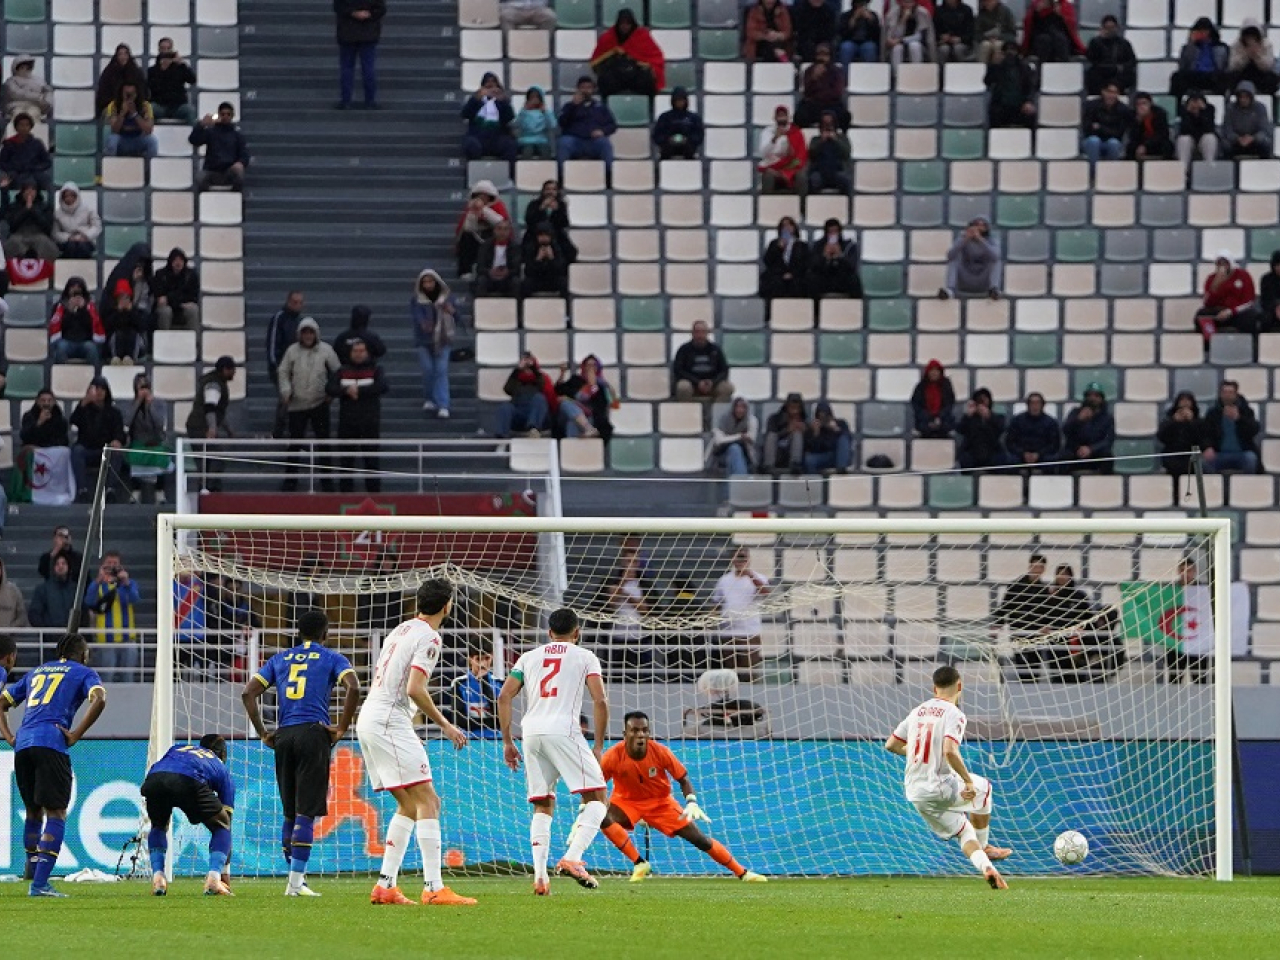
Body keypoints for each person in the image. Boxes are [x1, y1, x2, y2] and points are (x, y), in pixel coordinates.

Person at [355, 579, 476, 906]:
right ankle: (434, 887)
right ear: (447, 605)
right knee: (429, 801)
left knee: (409, 804)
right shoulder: (430, 637)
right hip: (388, 720)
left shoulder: (401, 629)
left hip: (370, 717)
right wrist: (446, 725)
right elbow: (414, 688)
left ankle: (385, 886)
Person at [241, 608, 360, 897]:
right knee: (306, 812)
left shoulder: (279, 659)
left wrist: (263, 732)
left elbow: (248, 692)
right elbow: (354, 687)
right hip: (312, 733)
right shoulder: (332, 658)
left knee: (290, 813)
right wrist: (341, 728)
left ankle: (295, 880)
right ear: (325, 633)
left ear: (298, 633)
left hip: (284, 734)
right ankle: (295, 884)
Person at [497, 607, 610, 894]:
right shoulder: (585, 656)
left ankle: (540, 878)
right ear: (577, 633)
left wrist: (507, 741)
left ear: (549, 633)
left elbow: (504, 695)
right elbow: (600, 700)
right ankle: (573, 857)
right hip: (563, 729)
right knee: (598, 797)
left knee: (543, 803)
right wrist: (598, 746)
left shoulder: (528, 657)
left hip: (531, 732)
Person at [598, 712, 767, 883]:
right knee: (601, 815)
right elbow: (597, 785)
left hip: (661, 803)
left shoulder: (661, 752)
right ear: (625, 733)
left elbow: (683, 779)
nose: (640, 734)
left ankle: (743, 873)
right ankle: (639, 863)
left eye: (644, 730)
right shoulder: (612, 756)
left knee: (700, 840)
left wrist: (691, 802)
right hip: (626, 802)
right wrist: (588, 806)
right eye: (635, 730)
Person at [886, 665, 1013, 889]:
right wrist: (967, 781)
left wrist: (917, 754)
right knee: (984, 789)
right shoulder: (954, 714)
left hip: (915, 793)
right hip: (941, 786)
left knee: (965, 831)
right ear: (960, 686)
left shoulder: (917, 712)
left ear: (934, 688)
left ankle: (987, 868)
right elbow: (950, 751)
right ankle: (984, 847)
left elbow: (891, 744)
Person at [0, 634, 106, 895]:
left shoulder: (37, 671)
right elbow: (100, 698)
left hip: (23, 745)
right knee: (56, 813)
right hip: (51, 742)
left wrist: (9, 737)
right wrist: (76, 734)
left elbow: (1, 702)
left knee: (33, 811)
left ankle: (31, 871)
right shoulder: (84, 673)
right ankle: (39, 885)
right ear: (83, 654)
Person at [140, 734, 235, 897]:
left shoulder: (179, 747)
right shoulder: (221, 768)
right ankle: (214, 878)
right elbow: (227, 823)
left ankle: (158, 878)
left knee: (158, 825)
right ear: (223, 754)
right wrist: (224, 872)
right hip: (189, 780)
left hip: (154, 778)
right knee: (222, 825)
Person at [278, 317, 340, 492]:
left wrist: (331, 393)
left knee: (324, 444)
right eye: (305, 332)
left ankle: (327, 482)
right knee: (294, 444)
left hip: (320, 404)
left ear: (316, 333)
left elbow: (337, 372)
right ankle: (290, 481)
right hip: (296, 405)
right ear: (300, 334)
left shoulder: (326, 350)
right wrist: (286, 390)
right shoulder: (292, 351)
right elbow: (283, 372)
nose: (308, 336)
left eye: (311, 332)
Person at [326, 337, 388, 493]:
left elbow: (383, 386)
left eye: (362, 351)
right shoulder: (342, 371)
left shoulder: (376, 370)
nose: (359, 354)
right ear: (350, 353)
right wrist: (346, 390)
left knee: (371, 462)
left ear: (367, 353)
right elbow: (330, 388)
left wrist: (358, 391)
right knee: (346, 462)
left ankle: (374, 496)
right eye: (355, 351)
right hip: (347, 424)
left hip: (369, 423)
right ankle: (345, 495)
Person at [712, 547, 772, 678]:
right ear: (732, 560)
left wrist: (750, 575)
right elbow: (716, 603)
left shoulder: (758, 577)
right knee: (729, 672)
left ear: (749, 559)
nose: (740, 561)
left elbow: (766, 593)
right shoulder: (724, 580)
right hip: (728, 632)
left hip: (749, 632)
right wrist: (712, 622)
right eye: (737, 557)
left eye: (743, 557)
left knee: (749, 671)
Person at [71, 376, 129, 501]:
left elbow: (120, 433)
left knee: (117, 452)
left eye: (102, 389)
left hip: (106, 450)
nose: (99, 392)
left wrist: (117, 440)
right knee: (77, 451)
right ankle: (82, 490)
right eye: (96, 389)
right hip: (87, 449)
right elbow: (73, 420)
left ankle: (110, 490)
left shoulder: (114, 412)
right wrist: (84, 402)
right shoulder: (84, 409)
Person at [85, 551, 140, 682]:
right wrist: (98, 580)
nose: (112, 566)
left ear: (121, 566)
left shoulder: (128, 584)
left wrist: (125, 582)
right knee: (107, 678)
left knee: (128, 678)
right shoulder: (98, 585)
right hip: (106, 640)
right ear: (102, 565)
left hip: (127, 639)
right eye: (108, 563)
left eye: (115, 563)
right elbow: (89, 601)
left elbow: (135, 599)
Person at [186, 356, 236, 493]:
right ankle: (211, 488)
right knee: (216, 458)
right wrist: (212, 428)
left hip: (197, 426)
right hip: (200, 427)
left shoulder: (214, 382)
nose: (234, 373)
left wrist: (227, 429)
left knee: (206, 461)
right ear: (225, 369)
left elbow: (217, 410)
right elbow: (210, 407)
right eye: (232, 369)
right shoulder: (214, 384)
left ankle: (205, 489)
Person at [591, 8, 665, 100]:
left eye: (628, 24)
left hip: (636, 75)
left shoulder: (642, 36)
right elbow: (596, 62)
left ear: (632, 24)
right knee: (604, 80)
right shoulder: (608, 37)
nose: (625, 26)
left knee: (647, 80)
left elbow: (655, 58)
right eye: (622, 23)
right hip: (616, 76)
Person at [410, 269, 456, 418]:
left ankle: (443, 404)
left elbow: (457, 316)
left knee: (441, 370)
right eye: (425, 282)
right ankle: (429, 398)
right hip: (424, 341)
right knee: (428, 370)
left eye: (430, 281)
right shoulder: (417, 299)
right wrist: (424, 324)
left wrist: (451, 311)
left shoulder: (447, 297)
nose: (428, 285)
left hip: (443, 339)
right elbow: (417, 317)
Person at [122, 372, 173, 502]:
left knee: (160, 454)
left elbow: (160, 424)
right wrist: (138, 402)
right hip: (138, 442)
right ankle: (136, 491)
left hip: (155, 441)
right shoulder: (131, 404)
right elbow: (127, 421)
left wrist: (150, 407)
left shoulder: (159, 404)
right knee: (134, 454)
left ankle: (160, 492)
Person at [1196, 251, 1259, 342]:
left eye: (1225, 263)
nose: (1222, 266)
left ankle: (1248, 344)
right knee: (1201, 315)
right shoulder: (1211, 278)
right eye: (1219, 264)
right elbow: (1207, 303)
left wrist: (1231, 311)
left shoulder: (1243, 275)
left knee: (1251, 316)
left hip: (1237, 312)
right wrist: (1215, 286)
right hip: (1219, 312)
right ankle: (1209, 344)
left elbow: (1249, 301)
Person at [266, 290, 306, 436]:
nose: (297, 305)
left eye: (300, 303)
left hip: (296, 369)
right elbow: (272, 343)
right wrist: (276, 366)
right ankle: (278, 433)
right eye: (295, 302)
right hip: (281, 367)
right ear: (288, 302)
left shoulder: (300, 321)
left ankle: (294, 432)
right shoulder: (279, 318)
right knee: (286, 398)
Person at [556, 76, 617, 170]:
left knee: (605, 143)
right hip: (574, 141)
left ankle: (609, 175)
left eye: (589, 87)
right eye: (583, 87)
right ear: (578, 89)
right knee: (563, 142)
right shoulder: (568, 106)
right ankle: (561, 175)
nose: (586, 90)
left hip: (594, 141)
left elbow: (612, 125)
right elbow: (562, 123)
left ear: (593, 90)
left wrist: (602, 131)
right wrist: (573, 106)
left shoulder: (600, 107)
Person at [454, 179, 510, 280]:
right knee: (466, 238)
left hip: (492, 238)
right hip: (475, 238)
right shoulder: (471, 208)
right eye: (479, 195)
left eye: (485, 195)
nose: (482, 198)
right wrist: (474, 214)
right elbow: (467, 227)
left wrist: (484, 211)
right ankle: (466, 270)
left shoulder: (498, 206)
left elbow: (501, 223)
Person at [334, 0, 385, 109]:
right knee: (368, 68)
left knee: (347, 68)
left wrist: (352, 13)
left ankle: (346, 101)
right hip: (368, 33)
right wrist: (369, 14)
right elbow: (381, 8)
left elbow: (338, 6)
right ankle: (370, 101)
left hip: (347, 32)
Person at [1201, 379, 1260, 474]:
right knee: (1204, 462)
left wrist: (1239, 419)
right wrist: (1208, 447)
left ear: (1236, 394)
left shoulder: (1246, 411)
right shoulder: (1213, 413)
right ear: (1220, 394)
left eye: (1230, 392)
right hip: (1219, 454)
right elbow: (1205, 433)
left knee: (1251, 458)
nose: (1227, 395)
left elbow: (1254, 430)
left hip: (1241, 454)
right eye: (1225, 392)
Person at [189, 102, 250, 191]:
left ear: (232, 116)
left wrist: (240, 163)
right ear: (219, 115)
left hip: (229, 172)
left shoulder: (237, 136)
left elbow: (244, 155)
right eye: (223, 114)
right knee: (200, 177)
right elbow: (194, 140)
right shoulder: (210, 132)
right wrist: (201, 125)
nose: (225, 117)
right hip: (211, 171)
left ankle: (235, 198)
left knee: (239, 177)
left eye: (228, 114)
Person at [556, 355, 616, 443]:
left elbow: (613, 404)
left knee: (572, 419)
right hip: (573, 415)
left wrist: (593, 386)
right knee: (565, 406)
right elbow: (559, 391)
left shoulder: (603, 386)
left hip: (591, 417)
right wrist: (562, 373)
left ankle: (587, 430)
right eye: (588, 365)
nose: (590, 368)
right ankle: (587, 429)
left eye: (593, 365)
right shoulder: (576, 380)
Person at [939, 217, 1002, 300]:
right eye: (976, 224)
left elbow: (995, 256)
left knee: (996, 261)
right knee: (954, 259)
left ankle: (994, 290)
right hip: (966, 277)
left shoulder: (992, 240)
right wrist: (965, 239)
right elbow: (950, 255)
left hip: (983, 278)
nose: (979, 228)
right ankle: (950, 290)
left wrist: (980, 240)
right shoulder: (962, 239)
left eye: (982, 225)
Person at [461, 72, 517, 163]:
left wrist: (503, 101)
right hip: (478, 137)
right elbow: (465, 114)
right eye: (487, 83)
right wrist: (476, 99)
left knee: (509, 145)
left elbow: (509, 118)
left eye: (493, 82)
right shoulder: (477, 100)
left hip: (498, 137)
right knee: (470, 144)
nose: (490, 85)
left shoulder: (501, 101)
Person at [672, 320, 733, 405]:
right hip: (692, 385)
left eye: (703, 332)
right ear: (692, 333)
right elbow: (678, 370)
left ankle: (716, 412)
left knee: (727, 388)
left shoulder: (716, 349)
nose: (700, 335)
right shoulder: (684, 349)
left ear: (707, 333)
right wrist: (697, 382)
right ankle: (688, 412)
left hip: (712, 385)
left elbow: (724, 371)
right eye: (697, 332)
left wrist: (712, 382)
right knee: (683, 387)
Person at [496, 352, 555, 438]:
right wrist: (517, 370)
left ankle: (533, 429)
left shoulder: (539, 377)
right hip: (519, 412)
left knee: (539, 398)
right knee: (505, 407)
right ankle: (502, 436)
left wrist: (534, 369)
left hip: (536, 413)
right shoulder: (516, 379)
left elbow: (543, 386)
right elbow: (508, 389)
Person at [1060, 382, 1115, 474]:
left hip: (1096, 453)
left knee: (1107, 457)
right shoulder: (1075, 412)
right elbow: (1066, 431)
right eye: (1089, 395)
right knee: (1063, 456)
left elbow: (1108, 440)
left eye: (1096, 396)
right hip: (1076, 451)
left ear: (1101, 398)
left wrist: (1091, 449)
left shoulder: (1107, 417)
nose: (1092, 398)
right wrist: (1078, 420)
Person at [448, 647, 502, 739]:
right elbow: (459, 720)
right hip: (468, 738)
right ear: (470, 659)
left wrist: (484, 683)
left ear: (492, 658)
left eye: (487, 658)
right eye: (478, 659)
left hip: (496, 738)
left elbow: (501, 720)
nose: (483, 664)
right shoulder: (459, 683)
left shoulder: (499, 683)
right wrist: (490, 722)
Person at [48, 276, 104, 364]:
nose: (75, 290)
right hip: (67, 341)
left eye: (78, 287)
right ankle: (60, 371)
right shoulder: (59, 307)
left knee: (91, 348)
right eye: (73, 287)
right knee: (61, 347)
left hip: (85, 342)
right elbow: (59, 326)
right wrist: (70, 311)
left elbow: (91, 326)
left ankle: (96, 372)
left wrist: (82, 310)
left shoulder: (90, 307)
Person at [796, 45, 850, 131]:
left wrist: (819, 93)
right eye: (819, 54)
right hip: (813, 105)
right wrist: (814, 78)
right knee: (799, 116)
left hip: (832, 104)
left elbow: (837, 92)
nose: (821, 57)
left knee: (845, 116)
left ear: (830, 56)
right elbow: (807, 92)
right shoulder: (809, 70)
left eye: (825, 54)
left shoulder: (837, 71)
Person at [985, 41, 1037, 129]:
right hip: (1001, 105)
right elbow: (987, 82)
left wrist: (1028, 101)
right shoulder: (997, 67)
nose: (1010, 53)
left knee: (1030, 114)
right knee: (994, 112)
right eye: (1007, 50)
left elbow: (1031, 87)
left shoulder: (1025, 68)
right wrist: (994, 65)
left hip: (1020, 105)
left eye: (1013, 50)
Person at [1171, 18, 1229, 97]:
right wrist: (1191, 44)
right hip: (1195, 75)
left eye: (1205, 30)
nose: (1202, 32)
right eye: (1199, 30)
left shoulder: (1221, 47)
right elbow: (1183, 66)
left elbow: (1225, 66)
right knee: (1177, 77)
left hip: (1213, 76)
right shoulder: (1188, 48)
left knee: (1224, 78)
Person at [1004, 392, 1060, 473]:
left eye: (1037, 403)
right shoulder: (1017, 420)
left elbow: (1054, 444)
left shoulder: (1051, 422)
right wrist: (1023, 454)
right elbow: (1010, 442)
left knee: (1051, 461)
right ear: (1028, 405)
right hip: (1020, 455)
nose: (1035, 406)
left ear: (1042, 405)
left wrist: (1039, 454)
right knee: (1010, 461)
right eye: (1032, 403)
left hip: (1043, 455)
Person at [2, 179, 58, 261]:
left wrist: (33, 210)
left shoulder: (44, 206)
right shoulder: (14, 206)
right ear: (22, 192)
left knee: (45, 244)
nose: (30, 192)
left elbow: (47, 227)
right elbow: (12, 226)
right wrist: (25, 210)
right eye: (27, 190)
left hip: (39, 234)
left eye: (33, 190)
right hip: (19, 235)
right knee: (13, 243)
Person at [522, 179, 575, 264]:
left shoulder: (561, 205)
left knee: (568, 251)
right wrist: (541, 208)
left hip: (556, 237)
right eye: (548, 189)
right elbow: (529, 221)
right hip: (535, 237)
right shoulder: (534, 204)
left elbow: (564, 224)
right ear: (543, 191)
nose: (550, 192)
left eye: (553, 189)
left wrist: (557, 211)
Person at [757, 105, 807, 194]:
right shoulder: (768, 132)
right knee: (768, 176)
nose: (782, 119)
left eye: (784, 116)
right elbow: (763, 153)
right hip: (773, 168)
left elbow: (800, 156)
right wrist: (774, 139)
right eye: (779, 116)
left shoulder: (796, 132)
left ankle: (802, 203)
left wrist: (786, 172)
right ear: (775, 118)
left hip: (791, 168)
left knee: (801, 176)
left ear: (788, 117)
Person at [807, 219, 863, 299]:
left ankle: (855, 305)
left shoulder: (849, 246)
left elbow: (852, 266)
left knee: (854, 279)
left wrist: (840, 256)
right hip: (824, 278)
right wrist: (824, 256)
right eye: (830, 232)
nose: (833, 234)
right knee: (811, 278)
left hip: (842, 278)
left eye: (835, 231)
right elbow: (813, 265)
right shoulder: (818, 245)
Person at [1080, 81, 1132, 165]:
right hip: (1092, 139)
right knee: (1094, 141)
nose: (1111, 95)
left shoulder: (1123, 109)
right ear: (1103, 92)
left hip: (1113, 140)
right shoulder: (1091, 105)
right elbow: (1087, 128)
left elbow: (1119, 133)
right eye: (1109, 92)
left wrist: (1100, 127)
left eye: (1115, 92)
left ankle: (1111, 171)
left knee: (1113, 143)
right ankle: (1093, 171)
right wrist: (1108, 130)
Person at [0, 112, 53, 194]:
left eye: (27, 125)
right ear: (16, 127)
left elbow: (47, 162)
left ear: (30, 127)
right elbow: (2, 162)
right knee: (25, 183)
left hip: (34, 172)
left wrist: (35, 168)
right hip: (16, 174)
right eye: (21, 125)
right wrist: (14, 168)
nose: (24, 128)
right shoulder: (9, 144)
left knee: (48, 182)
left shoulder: (37, 143)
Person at [147, 37, 197, 122]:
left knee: (190, 110)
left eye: (168, 48)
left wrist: (182, 64)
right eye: (163, 48)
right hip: (160, 106)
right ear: (159, 50)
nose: (166, 51)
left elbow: (192, 80)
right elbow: (151, 87)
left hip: (178, 106)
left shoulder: (180, 68)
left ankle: (196, 131)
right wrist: (162, 70)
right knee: (150, 109)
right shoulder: (152, 70)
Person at [759, 216, 809, 300]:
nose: (787, 228)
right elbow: (768, 261)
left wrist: (792, 274)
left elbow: (804, 263)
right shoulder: (774, 244)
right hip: (778, 275)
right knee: (771, 282)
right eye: (784, 226)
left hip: (796, 276)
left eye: (789, 225)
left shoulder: (802, 245)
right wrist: (778, 249)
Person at [1157, 391, 1205, 479]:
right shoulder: (1168, 420)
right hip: (1172, 454)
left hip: (1191, 454)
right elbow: (1162, 437)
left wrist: (1191, 422)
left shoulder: (1199, 422)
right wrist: (1174, 422)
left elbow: (1200, 439)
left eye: (1188, 400)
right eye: (1182, 400)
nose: (1185, 403)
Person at [957, 388, 1007, 471]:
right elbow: (960, 430)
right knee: (965, 459)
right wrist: (968, 416)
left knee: (1001, 459)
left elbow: (1001, 429)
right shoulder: (969, 418)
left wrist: (989, 417)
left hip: (992, 450)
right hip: (972, 451)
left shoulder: (998, 417)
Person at [1085, 15, 1136, 95]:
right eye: (1107, 28)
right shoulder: (1095, 42)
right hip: (1101, 75)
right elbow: (1091, 58)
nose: (1110, 30)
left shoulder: (1124, 43)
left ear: (1117, 28)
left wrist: (1120, 68)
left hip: (1118, 75)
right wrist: (1100, 42)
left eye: (1112, 27)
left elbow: (1132, 61)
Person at [103, 81, 158, 158]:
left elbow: (149, 130)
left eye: (132, 94)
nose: (129, 97)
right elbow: (114, 130)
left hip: (138, 138)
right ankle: (111, 164)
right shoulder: (113, 105)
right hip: (121, 139)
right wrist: (122, 113)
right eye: (126, 94)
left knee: (152, 141)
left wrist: (135, 113)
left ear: (136, 94)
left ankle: (147, 165)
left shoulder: (145, 106)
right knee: (112, 140)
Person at [151, 247, 201, 330]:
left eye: (181, 260)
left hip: (183, 307)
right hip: (168, 307)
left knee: (193, 309)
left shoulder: (191, 275)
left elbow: (193, 296)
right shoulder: (160, 274)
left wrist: (170, 298)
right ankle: (164, 337)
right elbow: (160, 297)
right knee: (165, 311)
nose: (178, 263)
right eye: (175, 260)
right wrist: (180, 301)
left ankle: (193, 337)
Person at [1221, 80, 1272, 159]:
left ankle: (1265, 165)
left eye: (1246, 97)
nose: (1243, 100)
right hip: (1236, 142)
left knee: (1266, 143)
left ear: (1251, 97)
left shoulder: (1260, 108)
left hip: (1254, 142)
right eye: (1241, 97)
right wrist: (1237, 138)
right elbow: (1227, 129)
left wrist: (1253, 138)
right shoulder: (1230, 108)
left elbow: (1264, 129)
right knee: (1225, 145)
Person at [102, 279, 149, 363]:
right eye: (121, 298)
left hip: (134, 341)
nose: (123, 300)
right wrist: (118, 312)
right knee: (118, 334)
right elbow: (108, 327)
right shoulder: (112, 311)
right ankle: (116, 358)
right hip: (117, 341)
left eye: (126, 297)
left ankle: (131, 358)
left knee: (133, 334)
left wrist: (131, 312)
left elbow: (141, 326)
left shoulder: (137, 311)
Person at [709, 397, 758, 477]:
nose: (740, 410)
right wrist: (739, 436)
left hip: (746, 454)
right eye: (737, 407)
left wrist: (729, 438)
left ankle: (739, 480)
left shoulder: (751, 420)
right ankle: (741, 480)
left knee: (735, 450)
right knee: (734, 448)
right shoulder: (723, 419)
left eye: (743, 407)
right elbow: (719, 440)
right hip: (722, 452)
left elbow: (752, 438)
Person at [1227, 21, 1278, 96]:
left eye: (1253, 36)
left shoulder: (1266, 45)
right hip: (1242, 73)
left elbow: (1268, 66)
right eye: (1248, 36)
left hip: (1260, 74)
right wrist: (1246, 55)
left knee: (1272, 78)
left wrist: (1257, 56)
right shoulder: (1236, 45)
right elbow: (1233, 66)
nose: (1250, 38)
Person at [807, 113, 852, 197]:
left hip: (838, 171)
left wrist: (836, 140)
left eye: (830, 124)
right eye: (825, 124)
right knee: (812, 181)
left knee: (847, 181)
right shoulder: (815, 139)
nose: (828, 127)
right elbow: (811, 154)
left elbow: (846, 153)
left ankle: (850, 204)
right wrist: (821, 141)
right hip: (820, 172)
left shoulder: (842, 138)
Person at [95, 44, 146, 118]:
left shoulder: (136, 72)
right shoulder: (108, 73)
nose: (123, 57)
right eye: (120, 54)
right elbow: (103, 95)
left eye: (125, 54)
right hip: (112, 105)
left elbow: (142, 91)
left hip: (134, 106)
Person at [51, 182, 101, 259]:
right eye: (66, 196)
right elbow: (55, 233)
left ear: (77, 196)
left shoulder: (88, 210)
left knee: (82, 247)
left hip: (86, 241)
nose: (69, 198)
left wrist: (85, 236)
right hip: (67, 242)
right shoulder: (57, 214)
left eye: (72, 196)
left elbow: (97, 227)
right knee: (71, 247)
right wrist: (69, 237)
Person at [475, 218, 523, 298]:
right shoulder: (485, 246)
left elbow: (516, 268)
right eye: (499, 229)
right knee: (481, 281)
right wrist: (490, 272)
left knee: (516, 282)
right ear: (494, 230)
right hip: (489, 277)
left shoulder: (515, 247)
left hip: (507, 278)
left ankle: (516, 306)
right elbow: (480, 267)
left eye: (505, 229)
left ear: (509, 231)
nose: (502, 232)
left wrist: (507, 272)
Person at [652, 87, 703, 160]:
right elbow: (657, 135)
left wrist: (687, 139)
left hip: (688, 149)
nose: (680, 103)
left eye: (682, 100)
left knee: (690, 148)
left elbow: (699, 135)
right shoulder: (664, 117)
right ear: (673, 101)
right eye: (677, 100)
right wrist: (669, 139)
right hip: (668, 149)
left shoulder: (694, 118)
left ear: (686, 101)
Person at [521, 221, 569, 298]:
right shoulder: (531, 248)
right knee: (525, 284)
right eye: (541, 235)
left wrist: (552, 258)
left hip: (552, 280)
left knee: (563, 282)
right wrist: (538, 259)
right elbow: (528, 271)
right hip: (537, 280)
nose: (543, 238)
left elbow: (562, 270)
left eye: (546, 235)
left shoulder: (556, 248)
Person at [803, 402, 853, 474]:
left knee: (843, 438)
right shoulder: (814, 428)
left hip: (839, 454)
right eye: (821, 417)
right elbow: (813, 449)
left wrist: (836, 429)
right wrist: (816, 434)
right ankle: (814, 479)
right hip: (824, 456)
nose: (823, 419)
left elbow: (848, 440)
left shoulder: (841, 423)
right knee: (809, 460)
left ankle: (841, 469)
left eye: (825, 416)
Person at [911, 359, 956, 438]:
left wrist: (939, 417)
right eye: (931, 370)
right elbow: (916, 405)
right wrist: (928, 418)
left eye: (936, 371)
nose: (934, 373)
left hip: (943, 420)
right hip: (924, 420)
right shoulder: (920, 386)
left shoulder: (946, 386)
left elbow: (949, 404)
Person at [764, 393, 808, 474]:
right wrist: (787, 431)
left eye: (797, 408)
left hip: (794, 452)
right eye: (792, 408)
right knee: (772, 436)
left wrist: (807, 433)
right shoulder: (774, 419)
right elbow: (769, 436)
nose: (794, 411)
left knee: (797, 434)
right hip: (777, 450)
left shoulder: (805, 422)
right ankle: (768, 466)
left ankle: (795, 464)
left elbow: (810, 445)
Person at [884, 0, 936, 67]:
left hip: (919, 45)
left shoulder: (922, 13)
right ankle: (896, 72)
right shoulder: (892, 14)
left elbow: (920, 36)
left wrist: (901, 40)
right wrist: (903, 20)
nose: (908, 5)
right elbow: (892, 36)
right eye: (905, 2)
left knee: (914, 45)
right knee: (897, 48)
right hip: (897, 44)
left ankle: (916, 70)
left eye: (910, 2)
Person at [29, 555, 76, 629]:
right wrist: (46, 631)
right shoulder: (42, 589)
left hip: (71, 634)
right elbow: (34, 614)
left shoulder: (76, 589)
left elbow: (83, 614)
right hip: (50, 634)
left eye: (63, 563)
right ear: (53, 567)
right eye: (57, 564)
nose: (60, 566)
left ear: (68, 567)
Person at [1176, 90, 1219, 170]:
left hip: (1203, 139)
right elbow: (1184, 130)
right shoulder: (1183, 109)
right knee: (1183, 139)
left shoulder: (1209, 109)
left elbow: (1209, 128)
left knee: (1209, 138)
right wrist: (1188, 112)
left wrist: (1202, 111)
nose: (1195, 104)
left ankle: (1209, 168)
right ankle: (1183, 170)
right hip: (1190, 139)